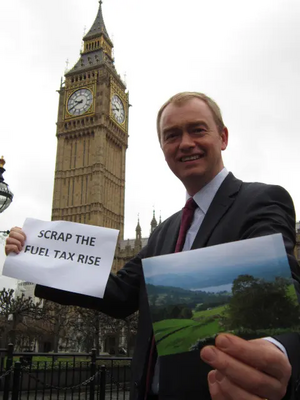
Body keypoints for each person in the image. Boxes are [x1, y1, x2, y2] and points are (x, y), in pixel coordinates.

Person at [6, 92, 300, 400]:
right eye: (172, 135)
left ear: (223, 137)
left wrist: (275, 353)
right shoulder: (165, 232)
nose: (185, 143)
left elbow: (283, 291)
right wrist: (36, 259)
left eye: (197, 130)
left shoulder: (260, 201)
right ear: (163, 149)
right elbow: (119, 293)